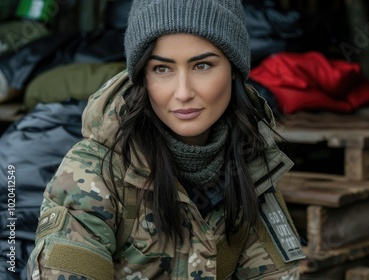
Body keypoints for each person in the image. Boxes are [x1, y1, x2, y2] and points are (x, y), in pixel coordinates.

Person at [27, 0, 305, 279]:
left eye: (203, 66)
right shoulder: (94, 172)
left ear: (233, 70)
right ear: (141, 77)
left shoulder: (248, 160)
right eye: (162, 69)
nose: (183, 92)